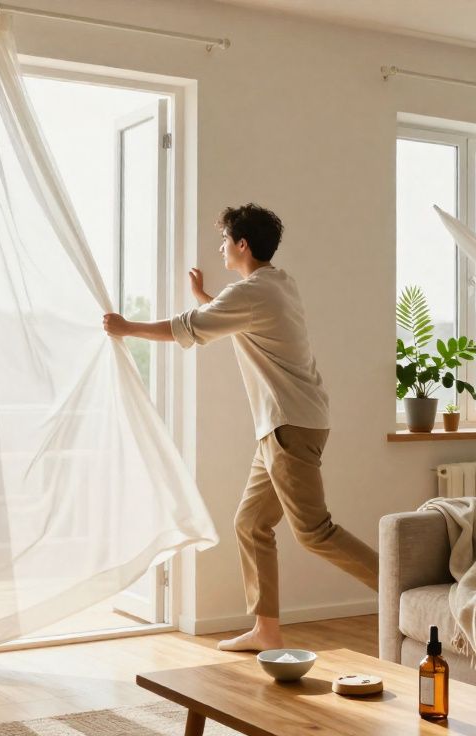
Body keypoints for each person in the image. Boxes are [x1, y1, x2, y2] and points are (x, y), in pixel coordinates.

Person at [102, 203, 378, 652]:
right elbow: (236, 318)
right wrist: (206, 298)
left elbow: (186, 330)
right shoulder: (277, 284)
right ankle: (266, 630)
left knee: (315, 531)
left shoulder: (251, 294)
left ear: (242, 244)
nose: (221, 247)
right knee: (250, 523)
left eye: (225, 240)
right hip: (287, 423)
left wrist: (126, 327)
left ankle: (403, 592)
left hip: (289, 425)